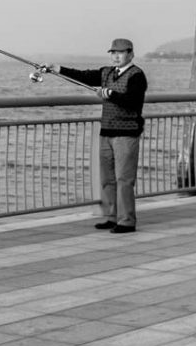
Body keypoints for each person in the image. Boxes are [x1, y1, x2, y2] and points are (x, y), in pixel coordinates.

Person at [46, 38, 148, 233]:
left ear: (130, 54)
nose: (116, 56)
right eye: (113, 53)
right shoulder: (106, 72)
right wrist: (57, 68)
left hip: (126, 135)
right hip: (106, 132)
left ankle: (127, 221)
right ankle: (111, 217)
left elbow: (132, 101)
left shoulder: (137, 75)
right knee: (107, 179)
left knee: (124, 180)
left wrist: (109, 93)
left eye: (120, 52)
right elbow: (83, 76)